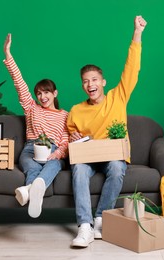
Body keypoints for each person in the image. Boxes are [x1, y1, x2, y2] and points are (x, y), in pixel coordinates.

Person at [67, 15, 147, 248]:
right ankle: (84, 226)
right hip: (88, 159)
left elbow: (132, 68)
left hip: (113, 155)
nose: (90, 84)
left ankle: (101, 218)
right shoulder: (76, 110)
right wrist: (72, 136)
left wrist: (137, 33)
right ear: (82, 85)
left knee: (116, 166)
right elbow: (71, 135)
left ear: (103, 82)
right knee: (78, 169)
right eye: (85, 81)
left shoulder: (118, 97)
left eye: (94, 80)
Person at [3, 33, 69, 218]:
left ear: (55, 93)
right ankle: (36, 188)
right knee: (31, 168)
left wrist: (57, 153)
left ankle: (29, 190)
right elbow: (19, 83)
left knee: (55, 164)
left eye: (46, 92)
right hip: (31, 149)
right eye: (39, 93)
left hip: (53, 150)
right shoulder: (31, 108)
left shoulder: (65, 116)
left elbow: (65, 141)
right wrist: (8, 54)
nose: (42, 97)